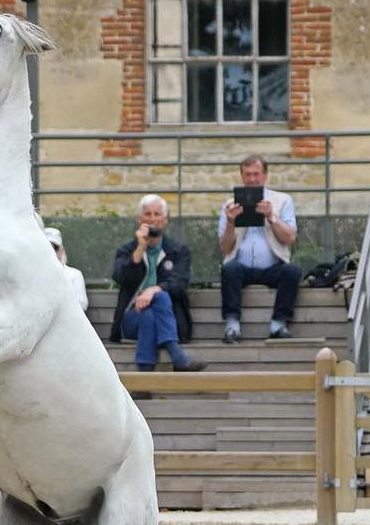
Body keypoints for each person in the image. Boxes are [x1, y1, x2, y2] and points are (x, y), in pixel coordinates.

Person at [109, 194, 204, 373]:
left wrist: (154, 290)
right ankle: (178, 356)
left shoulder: (178, 250)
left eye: (157, 214)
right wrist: (140, 248)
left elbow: (180, 283)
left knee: (151, 313)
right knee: (151, 308)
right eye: (147, 214)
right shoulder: (127, 250)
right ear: (140, 219)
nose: (152, 219)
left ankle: (144, 378)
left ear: (166, 219)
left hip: (168, 319)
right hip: (131, 318)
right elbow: (120, 278)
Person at [218, 154, 301, 342]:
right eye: (247, 175)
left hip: (273, 267)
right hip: (241, 268)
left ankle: (278, 325)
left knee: (292, 271)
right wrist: (231, 222)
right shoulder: (229, 205)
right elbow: (225, 247)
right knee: (229, 268)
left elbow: (289, 238)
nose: (252, 179)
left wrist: (272, 217)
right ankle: (232, 326)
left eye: (256, 174)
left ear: (265, 175)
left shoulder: (283, 200)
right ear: (242, 176)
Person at [44, 226, 88, 312]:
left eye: (55, 248)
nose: (51, 252)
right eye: (47, 248)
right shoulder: (34, 277)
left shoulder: (74, 275)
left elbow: (82, 305)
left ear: (61, 250)